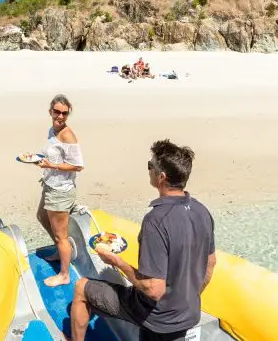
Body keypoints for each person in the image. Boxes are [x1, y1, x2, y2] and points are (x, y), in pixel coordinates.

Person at [69, 139, 216, 341]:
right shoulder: (202, 211)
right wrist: (187, 298)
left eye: (150, 166)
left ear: (161, 177)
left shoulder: (156, 220)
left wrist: (116, 262)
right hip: (189, 313)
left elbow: (153, 290)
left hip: (157, 316)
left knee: (81, 289)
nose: (149, 170)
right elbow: (211, 263)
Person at [37, 94, 85, 287]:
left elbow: (78, 166)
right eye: (57, 112)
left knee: (61, 235)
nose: (60, 116)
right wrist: (42, 161)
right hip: (50, 184)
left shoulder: (67, 135)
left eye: (64, 113)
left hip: (61, 191)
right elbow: (54, 156)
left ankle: (64, 275)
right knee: (41, 216)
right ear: (50, 111)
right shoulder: (53, 130)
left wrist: (52, 166)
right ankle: (60, 250)